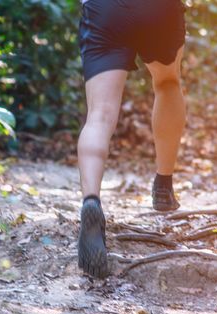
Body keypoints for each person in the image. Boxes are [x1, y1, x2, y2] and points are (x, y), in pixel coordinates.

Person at [77, 0, 187, 278]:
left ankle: (91, 201)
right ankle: (164, 185)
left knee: (99, 114)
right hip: (160, 9)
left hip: (105, 10)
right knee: (167, 82)